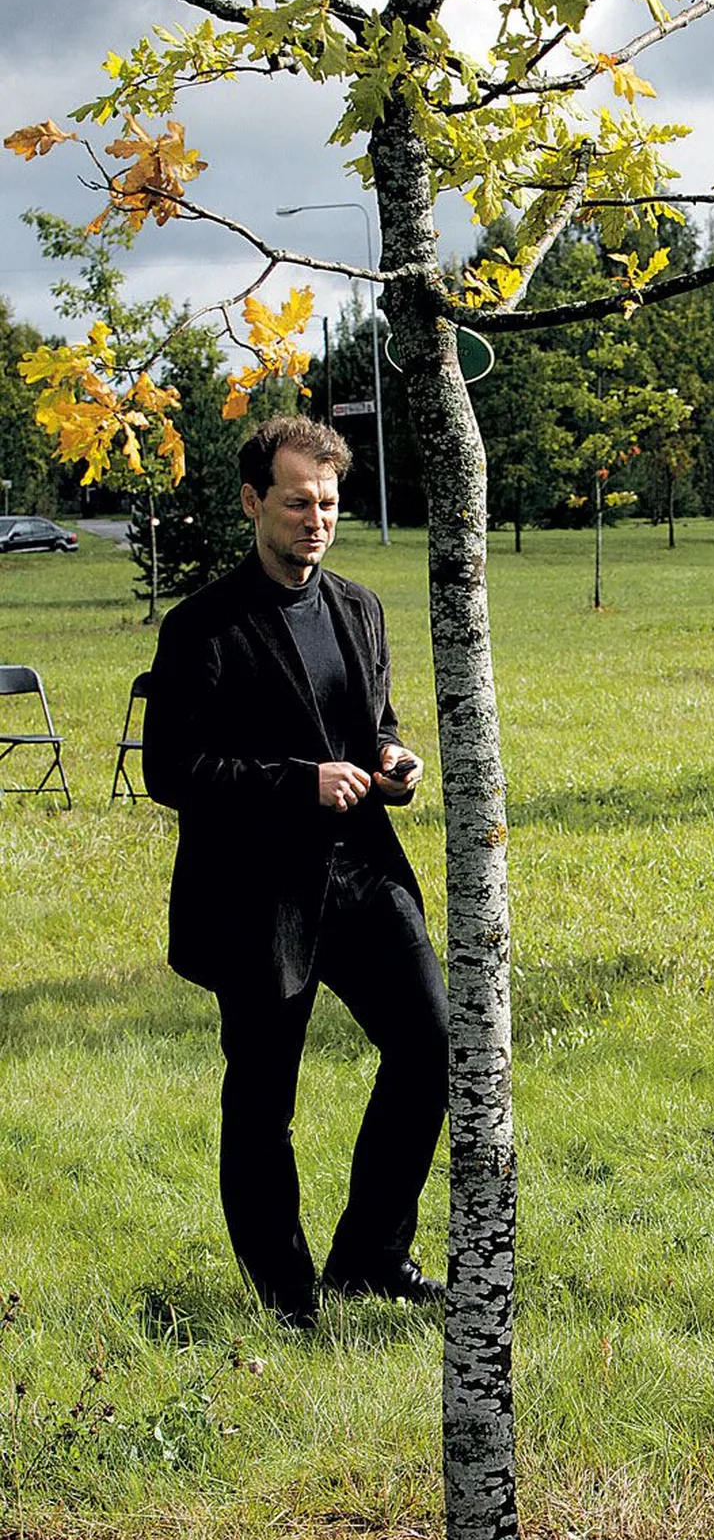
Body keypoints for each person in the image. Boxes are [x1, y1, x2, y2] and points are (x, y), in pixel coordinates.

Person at [144, 414, 448, 1329]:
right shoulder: (202, 626)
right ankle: (289, 1299)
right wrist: (297, 784)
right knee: (264, 1098)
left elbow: (373, 725)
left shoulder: (359, 607)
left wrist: (393, 760)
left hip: (364, 876)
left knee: (433, 1046)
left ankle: (371, 1257)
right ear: (253, 503)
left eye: (328, 503)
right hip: (257, 896)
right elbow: (172, 772)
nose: (316, 519)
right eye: (296, 502)